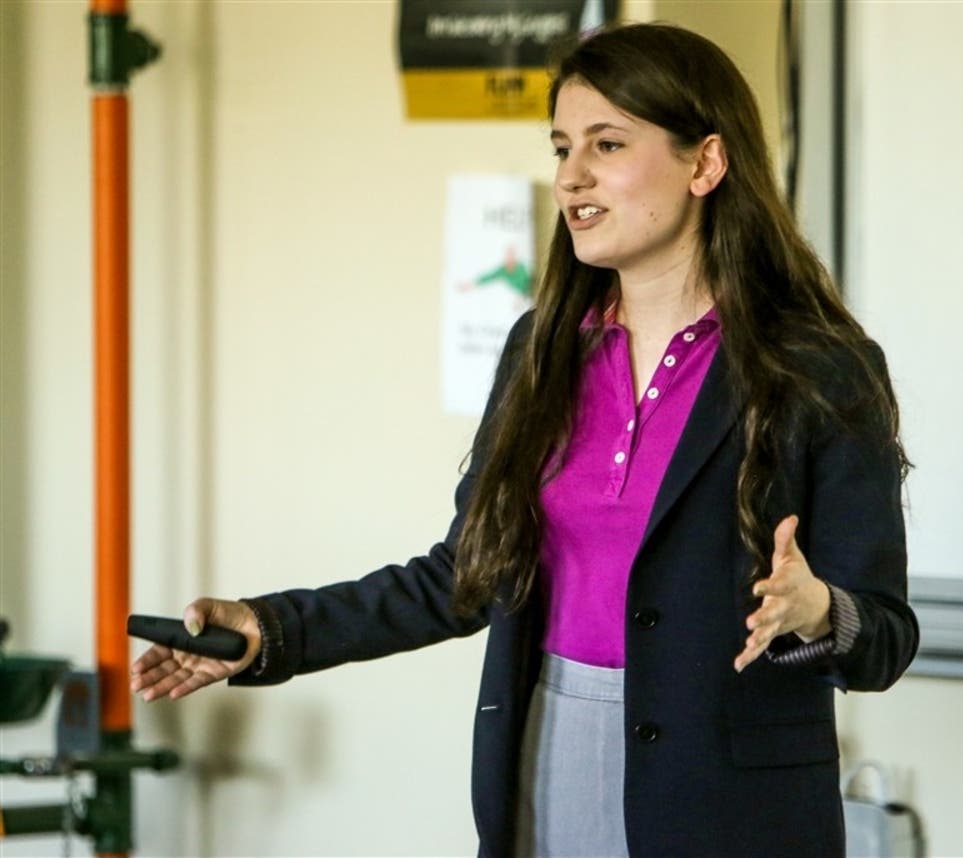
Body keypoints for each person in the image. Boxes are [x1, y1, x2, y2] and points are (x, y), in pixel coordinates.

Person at [130, 22, 918, 858]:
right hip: (546, 758)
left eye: (607, 144)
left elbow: (886, 639)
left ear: (706, 163)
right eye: (562, 147)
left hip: (731, 807)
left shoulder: (820, 367)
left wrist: (818, 610)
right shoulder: (541, 349)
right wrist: (268, 633)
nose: (571, 176)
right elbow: (461, 577)